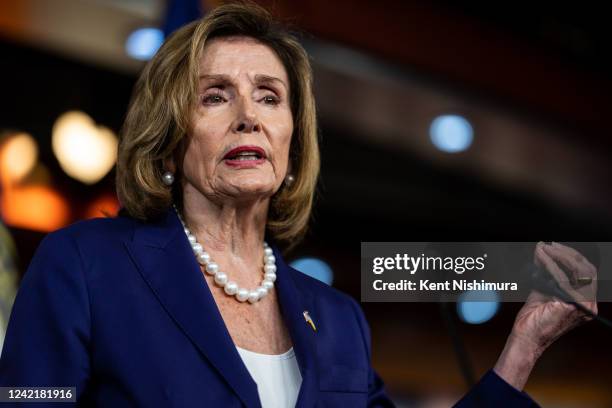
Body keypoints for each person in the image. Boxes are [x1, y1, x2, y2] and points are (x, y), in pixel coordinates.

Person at [0, 3, 598, 407]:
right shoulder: (84, 266)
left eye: (269, 96)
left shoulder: (338, 321)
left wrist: (524, 346)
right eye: (215, 96)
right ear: (169, 137)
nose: (248, 117)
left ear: (293, 139)